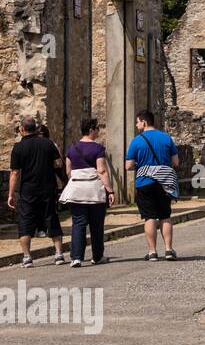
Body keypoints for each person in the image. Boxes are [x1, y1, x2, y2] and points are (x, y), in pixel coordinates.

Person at [8, 117, 64, 267]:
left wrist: (10, 194)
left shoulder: (18, 147)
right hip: (47, 188)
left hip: (28, 190)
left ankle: (27, 257)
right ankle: (59, 254)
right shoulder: (48, 144)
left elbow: (14, 173)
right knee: (51, 218)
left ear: (22, 129)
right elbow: (58, 163)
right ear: (35, 128)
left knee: (25, 222)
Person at [124, 110, 180, 261]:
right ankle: (168, 249)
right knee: (165, 216)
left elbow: (128, 166)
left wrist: (141, 165)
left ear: (144, 122)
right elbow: (175, 162)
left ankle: (152, 252)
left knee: (149, 217)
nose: (136, 125)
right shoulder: (166, 138)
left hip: (145, 182)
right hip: (164, 183)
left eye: (137, 122)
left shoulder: (136, 141)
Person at [60, 118, 114, 266]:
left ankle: (76, 257)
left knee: (78, 223)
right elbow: (102, 170)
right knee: (96, 225)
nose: (98, 131)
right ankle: (97, 256)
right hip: (94, 190)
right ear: (91, 129)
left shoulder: (72, 149)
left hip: (76, 190)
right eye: (97, 128)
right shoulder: (98, 149)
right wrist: (110, 190)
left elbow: (68, 172)